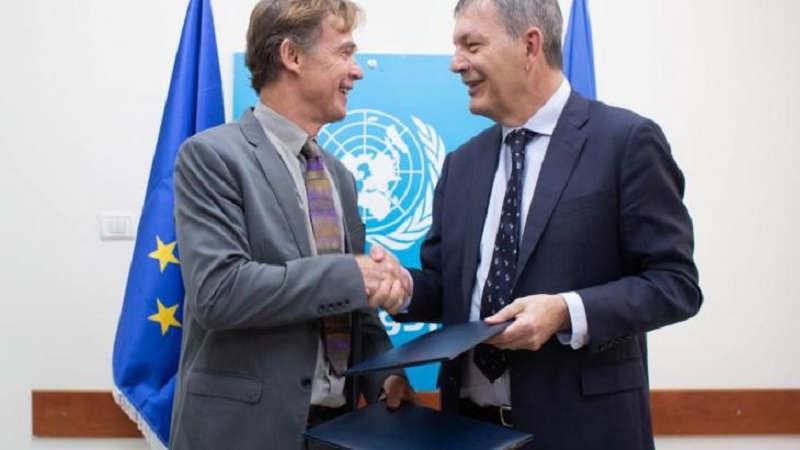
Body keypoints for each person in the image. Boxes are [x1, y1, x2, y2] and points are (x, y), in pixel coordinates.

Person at [388, 0, 702, 448]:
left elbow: (675, 284)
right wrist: (402, 288)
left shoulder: (625, 142)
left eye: (471, 46)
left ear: (530, 45)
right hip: (466, 431)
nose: (456, 63)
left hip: (584, 434)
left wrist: (565, 312)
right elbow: (449, 290)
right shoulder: (461, 164)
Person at [168, 1, 413, 449]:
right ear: (291, 56)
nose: (357, 71)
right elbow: (218, 292)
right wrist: (353, 274)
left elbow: (351, 305)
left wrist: (385, 373)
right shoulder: (212, 157)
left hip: (336, 432)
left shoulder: (340, 177)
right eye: (344, 52)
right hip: (242, 435)